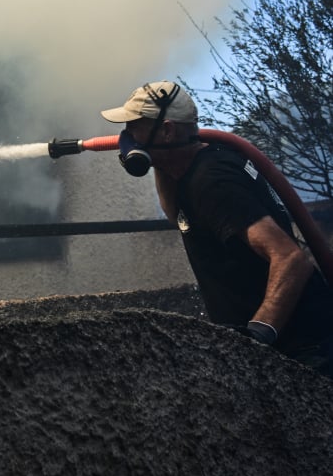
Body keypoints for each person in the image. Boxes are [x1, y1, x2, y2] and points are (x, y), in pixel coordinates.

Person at [100, 80, 333, 377]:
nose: (126, 136)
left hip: (305, 350)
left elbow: (290, 259)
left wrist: (255, 338)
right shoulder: (189, 170)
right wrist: (152, 158)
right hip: (287, 348)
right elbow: (178, 216)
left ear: (168, 131)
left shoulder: (213, 181)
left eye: (134, 126)